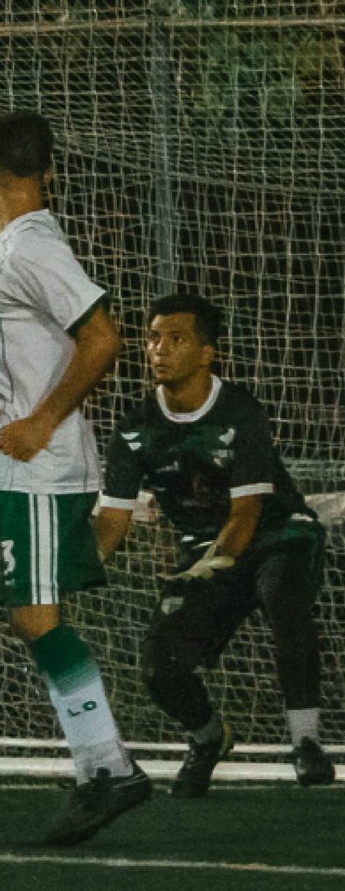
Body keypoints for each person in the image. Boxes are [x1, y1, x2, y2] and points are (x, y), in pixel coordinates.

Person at [0, 111, 150, 845]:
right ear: (49, 168)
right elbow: (41, 347)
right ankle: (105, 766)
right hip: (25, 457)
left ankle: (108, 767)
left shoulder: (30, 248)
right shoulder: (17, 246)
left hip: (36, 466)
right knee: (37, 610)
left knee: (35, 617)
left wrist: (37, 422)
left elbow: (103, 338)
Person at [94, 291, 334, 795]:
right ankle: (209, 737)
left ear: (207, 353)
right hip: (203, 550)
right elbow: (112, 520)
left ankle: (306, 741)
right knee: (160, 666)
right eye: (154, 337)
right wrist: (77, 566)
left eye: (176, 339)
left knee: (282, 599)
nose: (159, 349)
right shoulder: (135, 429)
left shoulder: (241, 412)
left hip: (274, 535)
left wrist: (203, 570)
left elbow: (245, 514)